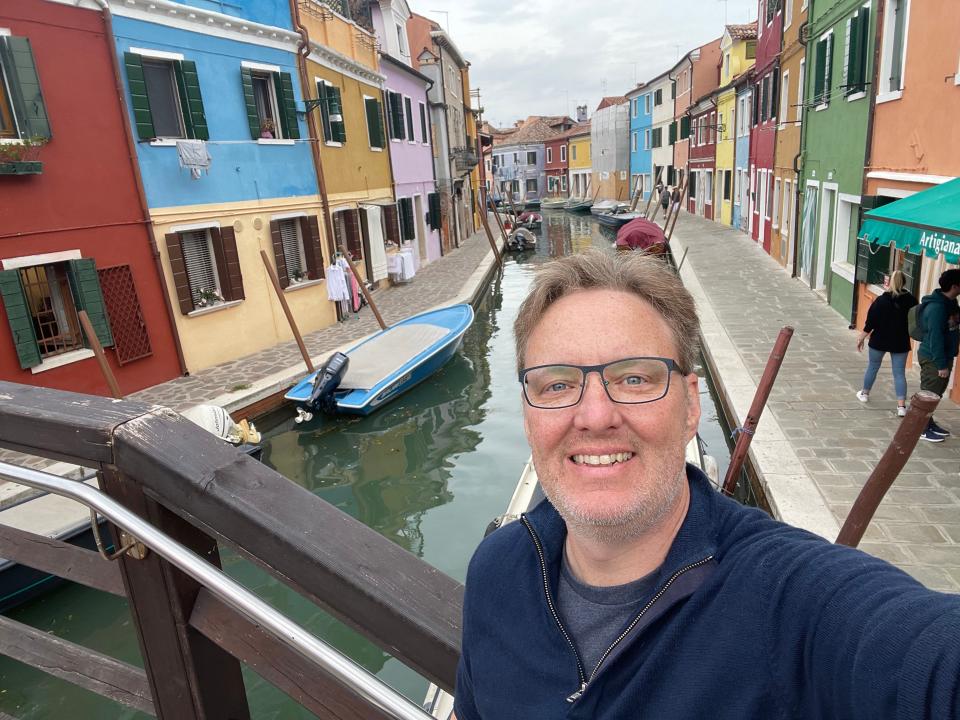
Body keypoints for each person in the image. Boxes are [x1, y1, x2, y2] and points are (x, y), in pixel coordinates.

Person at [453, 250, 960, 720]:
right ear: (527, 414)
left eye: (635, 378)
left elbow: (926, 659)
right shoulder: (496, 570)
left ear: (691, 405)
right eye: (558, 384)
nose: (595, 416)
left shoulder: (791, 602)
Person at [855, 270, 918, 416]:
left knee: (873, 367)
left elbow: (870, 322)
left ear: (889, 283)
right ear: (904, 283)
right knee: (899, 374)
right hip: (900, 341)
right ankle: (901, 407)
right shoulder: (912, 301)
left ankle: (864, 394)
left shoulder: (881, 301)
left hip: (879, 340)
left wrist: (861, 338)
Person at [916, 268, 960, 442]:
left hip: (944, 356)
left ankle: (928, 422)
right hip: (934, 358)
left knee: (937, 393)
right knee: (929, 394)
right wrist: (941, 364)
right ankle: (921, 428)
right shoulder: (937, 308)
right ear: (955, 286)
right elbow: (935, 337)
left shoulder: (951, 303)